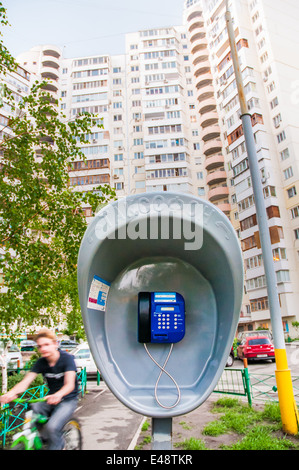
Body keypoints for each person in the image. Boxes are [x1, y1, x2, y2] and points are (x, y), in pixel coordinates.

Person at [0, 328, 79, 450]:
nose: (43, 349)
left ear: (55, 344)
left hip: (68, 400)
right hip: (49, 399)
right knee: (34, 411)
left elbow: (69, 385)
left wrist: (58, 395)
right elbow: (25, 382)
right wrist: (11, 393)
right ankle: (46, 439)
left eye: (46, 344)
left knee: (52, 427)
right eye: (40, 346)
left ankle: (60, 445)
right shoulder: (41, 362)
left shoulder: (67, 359)